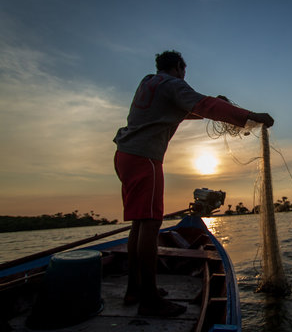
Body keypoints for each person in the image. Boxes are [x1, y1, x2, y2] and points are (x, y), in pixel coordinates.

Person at [113, 50, 274, 317]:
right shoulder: (173, 84)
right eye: (184, 71)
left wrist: (206, 107)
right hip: (145, 159)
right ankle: (150, 299)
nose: (184, 76)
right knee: (151, 224)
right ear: (178, 67)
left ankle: (135, 289)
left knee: (139, 224)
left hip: (125, 155)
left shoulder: (148, 83)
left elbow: (183, 110)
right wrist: (249, 115)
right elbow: (204, 105)